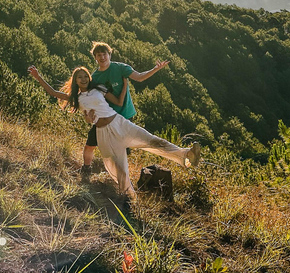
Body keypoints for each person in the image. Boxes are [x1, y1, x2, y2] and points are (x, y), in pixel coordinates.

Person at [28, 65, 201, 205]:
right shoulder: (76, 97)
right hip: (103, 134)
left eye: (85, 76)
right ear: (75, 80)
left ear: (89, 78)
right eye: (79, 77)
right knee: (120, 167)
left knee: (152, 140)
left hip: (119, 123)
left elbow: (118, 102)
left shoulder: (99, 89)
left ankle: (186, 154)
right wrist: (37, 77)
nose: (83, 79)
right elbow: (53, 93)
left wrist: (125, 86)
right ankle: (128, 198)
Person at [83, 41, 170, 180]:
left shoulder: (121, 68)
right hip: (106, 116)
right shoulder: (96, 78)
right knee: (91, 143)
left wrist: (155, 69)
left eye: (104, 54)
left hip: (124, 114)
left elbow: (140, 77)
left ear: (109, 54)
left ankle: (120, 177)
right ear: (95, 57)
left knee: (121, 149)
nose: (102, 57)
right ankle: (86, 169)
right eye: (98, 55)